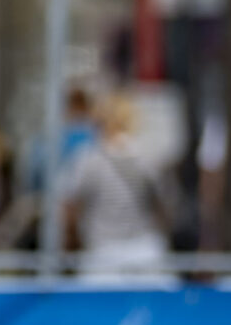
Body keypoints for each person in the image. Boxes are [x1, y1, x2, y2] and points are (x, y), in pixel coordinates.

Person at [60, 91, 174, 276]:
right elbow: (165, 203)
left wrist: (72, 241)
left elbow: (70, 204)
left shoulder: (89, 159)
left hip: (102, 251)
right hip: (145, 250)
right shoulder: (148, 157)